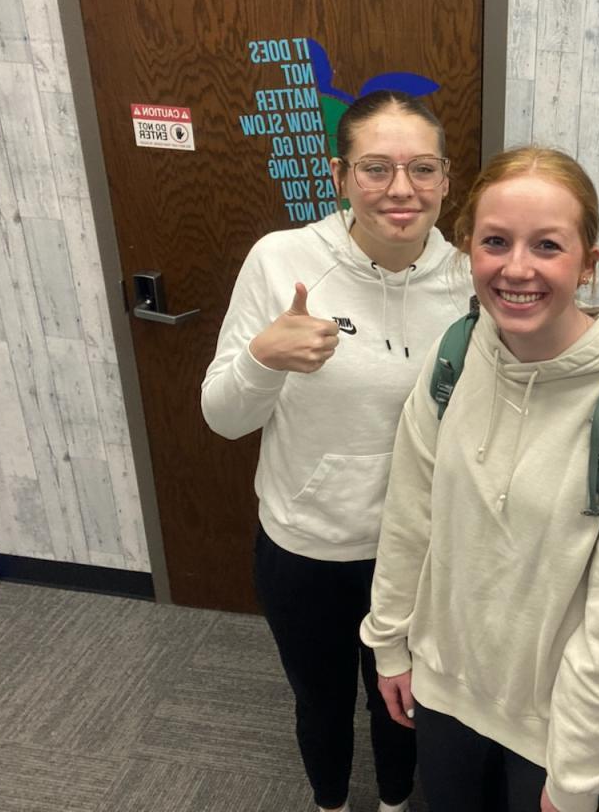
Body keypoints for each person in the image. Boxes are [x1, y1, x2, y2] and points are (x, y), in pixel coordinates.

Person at [360, 146, 599, 812]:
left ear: (588, 263)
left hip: (553, 731)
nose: (516, 268)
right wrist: (390, 640)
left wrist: (578, 772)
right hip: (443, 689)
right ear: (467, 249)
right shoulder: (456, 353)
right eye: (495, 242)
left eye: (547, 245)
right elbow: (409, 513)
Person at [201, 90, 473, 812]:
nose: (400, 188)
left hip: (419, 552)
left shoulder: (469, 280)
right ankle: (330, 804)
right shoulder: (283, 260)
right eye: (376, 168)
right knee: (321, 703)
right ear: (340, 176)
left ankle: (393, 804)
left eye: (421, 168)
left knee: (405, 703)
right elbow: (222, 418)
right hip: (308, 546)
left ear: (446, 179)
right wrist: (263, 359)